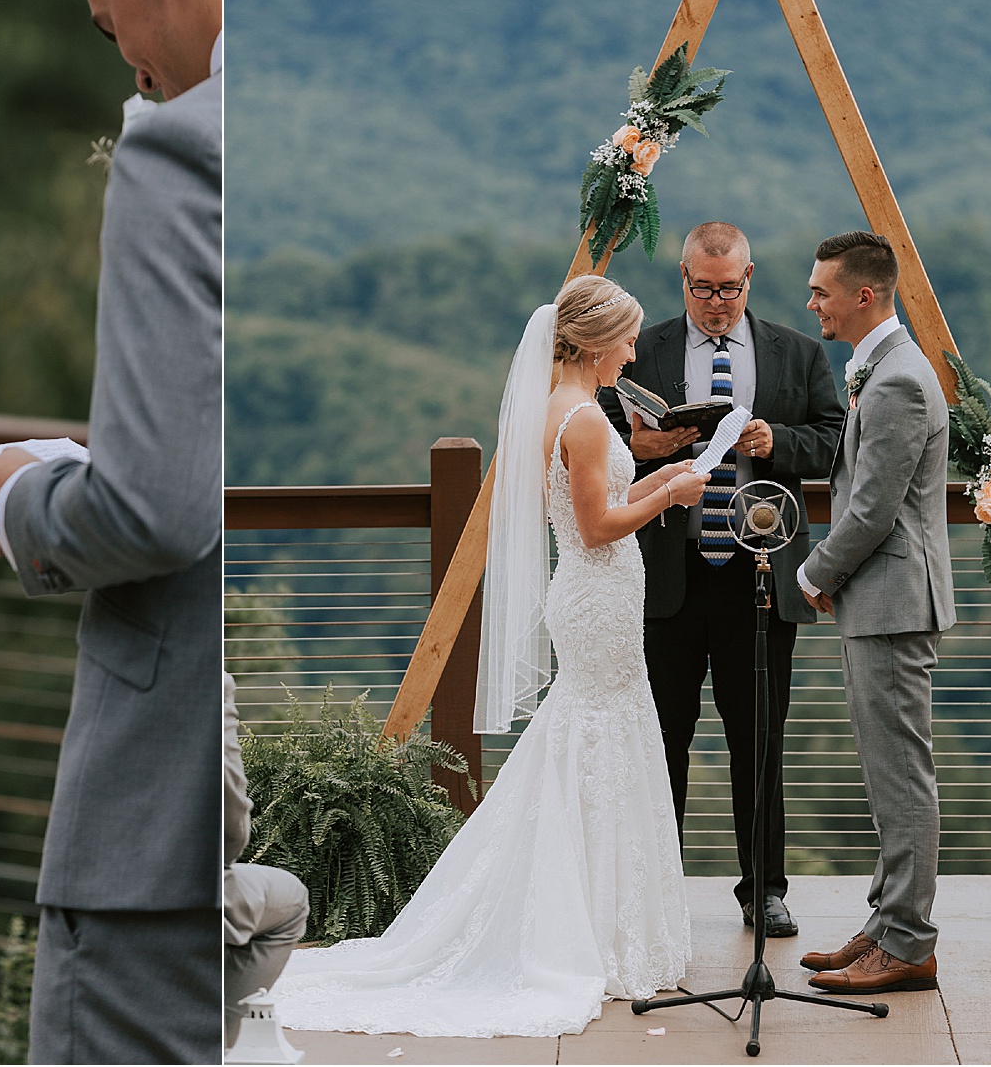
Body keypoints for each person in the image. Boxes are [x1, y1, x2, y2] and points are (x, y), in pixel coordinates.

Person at [0, 0, 222, 1065]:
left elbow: (157, 508)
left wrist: (14, 499)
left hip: (164, 823)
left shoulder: (178, 149)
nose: (134, 73)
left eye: (117, 33)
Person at [272, 277, 709, 1038]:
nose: (636, 352)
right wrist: (668, 499)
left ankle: (602, 920)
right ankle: (596, 933)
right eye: (630, 338)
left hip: (598, 599)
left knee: (594, 738)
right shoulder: (578, 420)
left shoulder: (566, 411)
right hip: (596, 598)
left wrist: (663, 475)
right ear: (599, 339)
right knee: (598, 737)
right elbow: (600, 527)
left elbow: (601, 507)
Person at [601, 221, 844, 939]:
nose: (715, 302)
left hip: (759, 574)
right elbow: (602, 435)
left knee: (759, 739)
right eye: (702, 288)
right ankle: (655, 894)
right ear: (682, 279)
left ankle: (763, 890)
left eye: (728, 288)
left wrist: (776, 440)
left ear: (750, 277)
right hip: (667, 576)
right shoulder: (642, 350)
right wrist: (652, 443)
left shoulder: (796, 354)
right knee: (661, 740)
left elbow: (834, 439)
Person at [795, 230, 954, 994]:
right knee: (886, 773)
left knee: (901, 777)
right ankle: (885, 926)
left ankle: (910, 945)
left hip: (891, 601)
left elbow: (873, 510)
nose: (811, 302)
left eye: (822, 290)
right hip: (879, 599)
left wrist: (813, 571)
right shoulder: (881, 366)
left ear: (865, 295)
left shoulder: (895, 382)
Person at [223, 674, 309, 1050]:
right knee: (290, 898)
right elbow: (228, 824)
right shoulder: (207, 680)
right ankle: (214, 1032)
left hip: (87, 884)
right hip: (183, 886)